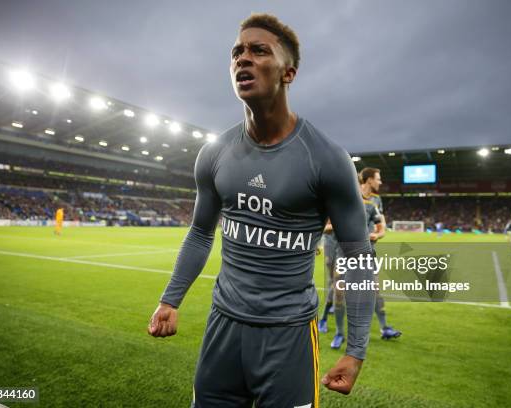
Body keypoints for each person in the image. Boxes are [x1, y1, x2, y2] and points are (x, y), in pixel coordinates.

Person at [148, 13, 376, 407]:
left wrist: (355, 350)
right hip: (223, 328)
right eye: (236, 52)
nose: (243, 58)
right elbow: (201, 232)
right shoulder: (215, 154)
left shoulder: (327, 159)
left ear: (288, 73)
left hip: (288, 336)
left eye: (258, 51)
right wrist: (170, 299)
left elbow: (358, 256)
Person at [359, 167, 401, 340]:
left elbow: (382, 227)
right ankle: (325, 319)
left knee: (375, 289)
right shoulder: (352, 195)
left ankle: (385, 328)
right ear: (369, 180)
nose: (381, 182)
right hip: (347, 250)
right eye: (378, 178)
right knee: (338, 289)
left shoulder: (376, 200)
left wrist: (377, 234)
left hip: (368, 250)